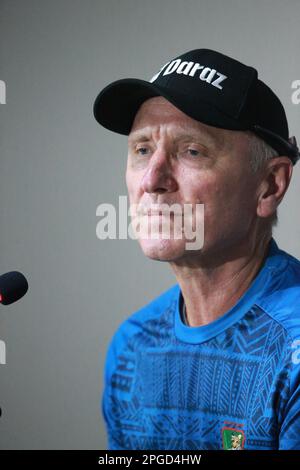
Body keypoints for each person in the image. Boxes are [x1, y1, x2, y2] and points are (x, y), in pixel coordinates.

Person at [93, 49, 300, 450]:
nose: (152, 179)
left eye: (192, 151)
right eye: (141, 149)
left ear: (271, 185)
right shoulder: (132, 347)